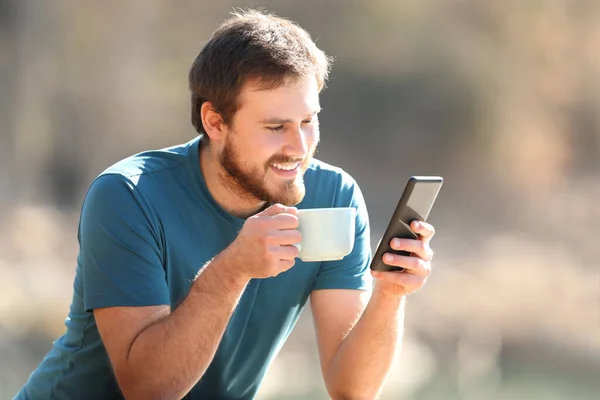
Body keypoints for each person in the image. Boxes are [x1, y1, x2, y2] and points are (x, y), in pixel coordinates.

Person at [14, 9, 435, 400]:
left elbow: (350, 388)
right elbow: (147, 390)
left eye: (309, 121)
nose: (300, 147)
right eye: (276, 127)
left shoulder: (334, 197)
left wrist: (390, 294)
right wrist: (233, 269)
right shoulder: (128, 195)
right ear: (215, 121)